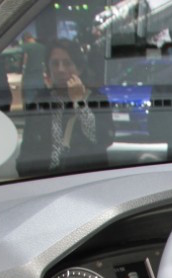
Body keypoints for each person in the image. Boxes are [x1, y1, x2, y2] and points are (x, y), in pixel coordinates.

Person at [17, 40, 114, 177]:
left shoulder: (95, 99)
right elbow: (28, 149)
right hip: (44, 180)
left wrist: (79, 103)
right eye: (55, 64)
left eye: (67, 63)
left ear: (79, 68)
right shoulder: (41, 101)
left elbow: (103, 138)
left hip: (83, 179)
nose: (60, 70)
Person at [19, 34, 46, 104]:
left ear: (25, 39)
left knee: (29, 100)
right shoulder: (42, 47)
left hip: (29, 77)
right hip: (40, 77)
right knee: (41, 99)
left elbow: (22, 60)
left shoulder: (24, 47)